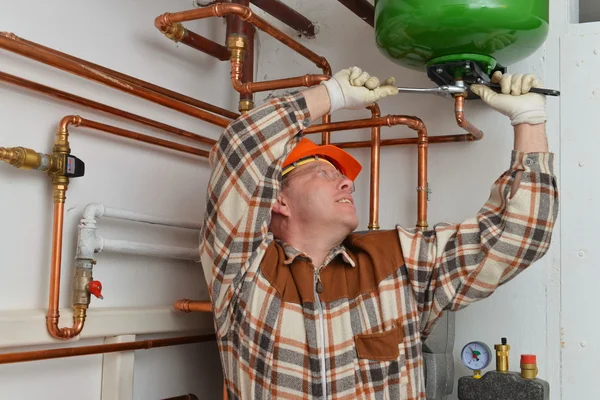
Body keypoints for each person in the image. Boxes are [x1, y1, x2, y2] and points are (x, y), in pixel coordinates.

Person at [199, 67, 558, 399]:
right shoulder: (244, 269)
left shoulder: (399, 260)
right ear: (279, 200)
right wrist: (331, 94)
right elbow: (240, 149)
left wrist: (529, 121)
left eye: (345, 178)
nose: (347, 184)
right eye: (325, 173)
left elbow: (518, 236)